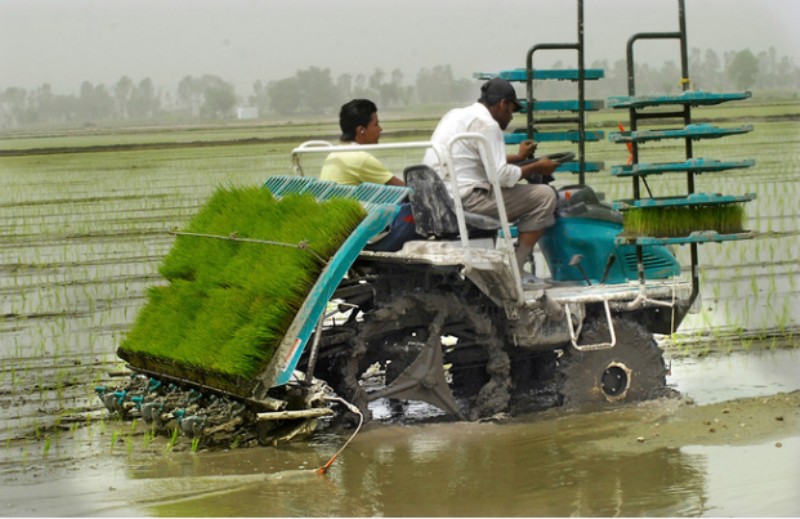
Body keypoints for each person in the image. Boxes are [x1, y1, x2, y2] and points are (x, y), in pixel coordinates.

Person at [423, 78, 559, 282]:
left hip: (441, 197)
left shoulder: (456, 116)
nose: (512, 117)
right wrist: (539, 167)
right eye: (512, 110)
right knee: (545, 196)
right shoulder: (488, 125)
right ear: (503, 104)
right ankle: (517, 270)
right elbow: (502, 176)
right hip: (467, 198)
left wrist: (520, 159)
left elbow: (479, 160)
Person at [320, 99, 420, 252]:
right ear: (361, 130)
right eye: (376, 125)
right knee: (419, 209)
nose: (380, 129)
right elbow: (407, 191)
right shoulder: (359, 158)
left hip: (340, 232)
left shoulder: (335, 154)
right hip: (359, 238)